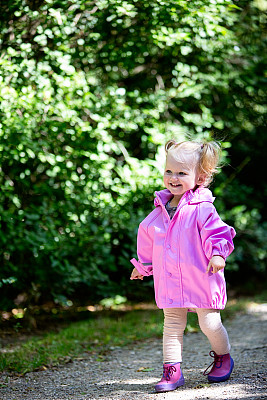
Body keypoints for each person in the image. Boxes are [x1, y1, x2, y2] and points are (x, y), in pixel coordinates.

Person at [130, 139, 236, 393]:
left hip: (201, 275)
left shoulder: (202, 209)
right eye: (169, 171)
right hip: (170, 279)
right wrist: (143, 265)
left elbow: (218, 234)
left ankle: (223, 357)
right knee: (172, 324)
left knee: (208, 323)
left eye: (181, 173)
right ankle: (172, 370)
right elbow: (147, 237)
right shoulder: (159, 211)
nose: (173, 177)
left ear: (200, 177)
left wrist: (218, 255)